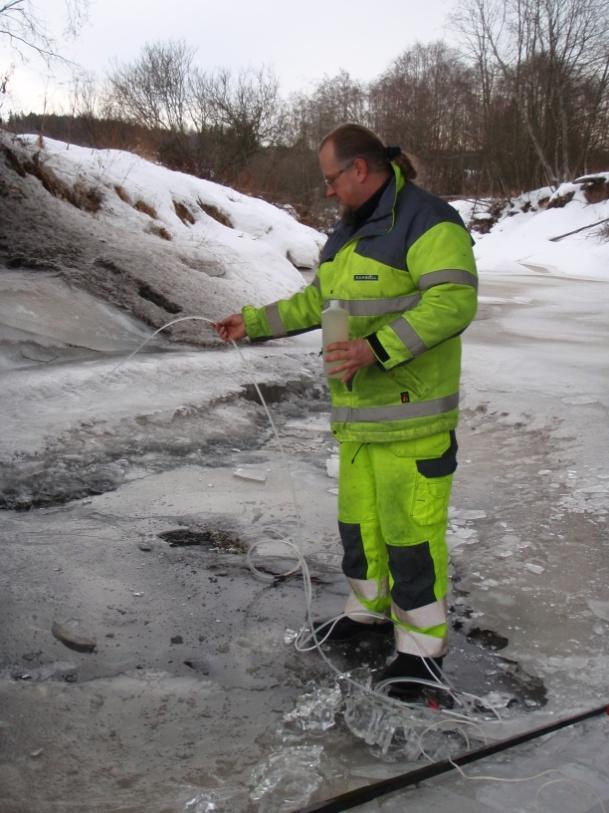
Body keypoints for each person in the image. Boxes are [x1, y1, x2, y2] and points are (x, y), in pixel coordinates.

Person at [215, 123, 478, 700]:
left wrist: (374, 349)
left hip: (414, 419)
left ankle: (421, 651)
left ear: (360, 169)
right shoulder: (350, 230)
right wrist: (253, 322)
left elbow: (453, 301)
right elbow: (320, 302)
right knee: (360, 528)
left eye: (332, 178)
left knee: (411, 537)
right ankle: (367, 615)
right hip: (360, 421)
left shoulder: (427, 220)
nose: (328, 190)